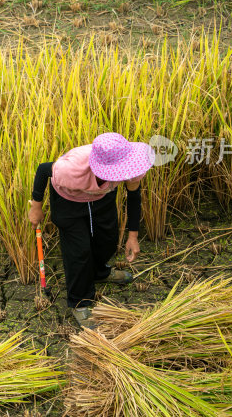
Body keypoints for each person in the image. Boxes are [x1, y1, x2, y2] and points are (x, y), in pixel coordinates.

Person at [28, 132, 154, 328]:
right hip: (68, 201)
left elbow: (134, 196)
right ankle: (79, 302)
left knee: (108, 240)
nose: (124, 174)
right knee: (79, 252)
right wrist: (36, 206)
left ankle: (99, 273)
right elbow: (43, 169)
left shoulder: (132, 165)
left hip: (102, 198)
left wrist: (133, 236)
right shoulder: (70, 170)